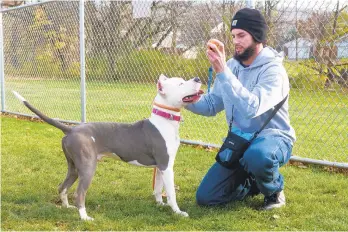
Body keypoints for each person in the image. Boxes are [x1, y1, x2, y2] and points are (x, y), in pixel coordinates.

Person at [185, 8, 296, 210]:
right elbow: (211, 105)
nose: (235, 41)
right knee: (206, 197)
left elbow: (252, 108)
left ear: (257, 36)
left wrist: (224, 73)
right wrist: (182, 99)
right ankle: (253, 183)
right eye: (234, 36)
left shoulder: (274, 71)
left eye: (242, 35)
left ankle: (274, 191)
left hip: (272, 139)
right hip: (240, 141)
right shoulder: (232, 66)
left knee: (259, 156)